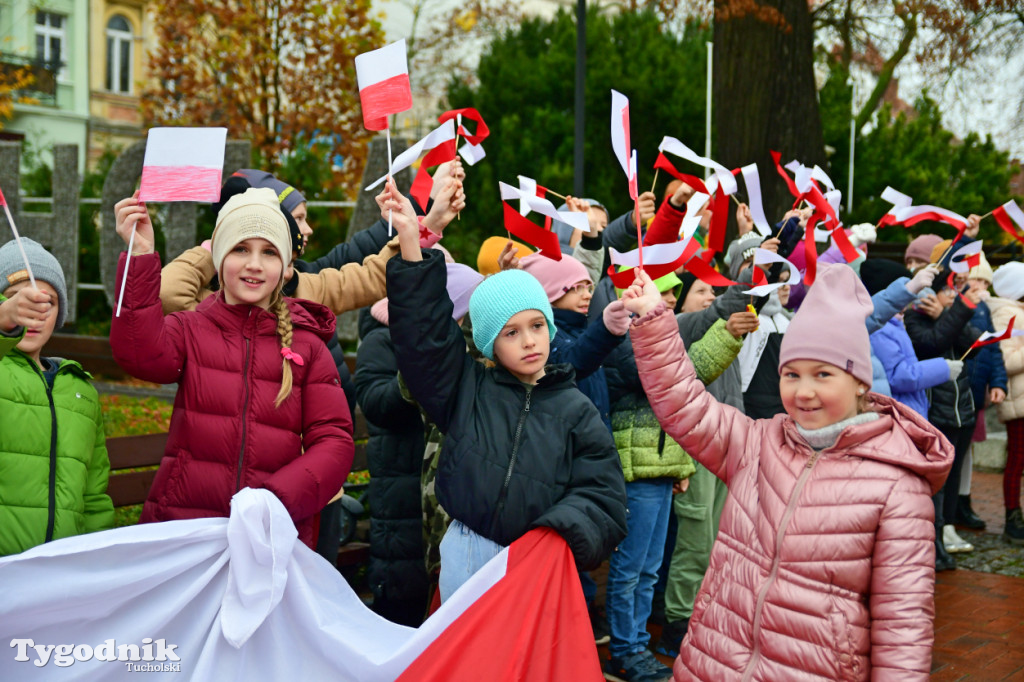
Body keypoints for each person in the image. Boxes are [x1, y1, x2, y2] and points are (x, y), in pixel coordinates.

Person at [622, 263, 953, 681]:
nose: (804, 391)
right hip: (715, 663)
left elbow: (902, 625)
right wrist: (653, 320)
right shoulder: (757, 443)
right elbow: (684, 404)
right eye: (792, 374)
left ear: (859, 384)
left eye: (824, 375)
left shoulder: (898, 487)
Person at [376, 179, 628, 605]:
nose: (529, 341)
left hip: (537, 560)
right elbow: (425, 337)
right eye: (511, 332)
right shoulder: (467, 391)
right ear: (490, 340)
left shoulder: (575, 410)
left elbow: (603, 496)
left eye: (536, 326)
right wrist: (409, 242)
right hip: (465, 555)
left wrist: (556, 534)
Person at [110, 188, 354, 549]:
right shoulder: (189, 328)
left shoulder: (308, 347)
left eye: (269, 252)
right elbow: (137, 354)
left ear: (287, 269)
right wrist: (141, 255)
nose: (254, 263)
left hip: (269, 538)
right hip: (184, 531)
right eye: (240, 249)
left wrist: (274, 502)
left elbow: (333, 442)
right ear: (219, 258)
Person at [354, 263, 483, 626]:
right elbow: (375, 402)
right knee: (402, 593)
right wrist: (420, 368)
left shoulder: (465, 352)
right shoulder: (383, 339)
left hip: (442, 488)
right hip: (401, 484)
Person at [0, 239, 114, 556]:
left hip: (62, 575)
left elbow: (93, 495)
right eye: (16, 300)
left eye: (46, 302)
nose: (34, 311)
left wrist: (98, 559)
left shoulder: (81, 391)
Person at [987, 261, 1024, 544]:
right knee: (1016, 461)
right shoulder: (1007, 315)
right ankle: (1013, 517)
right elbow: (1005, 361)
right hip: (1017, 403)